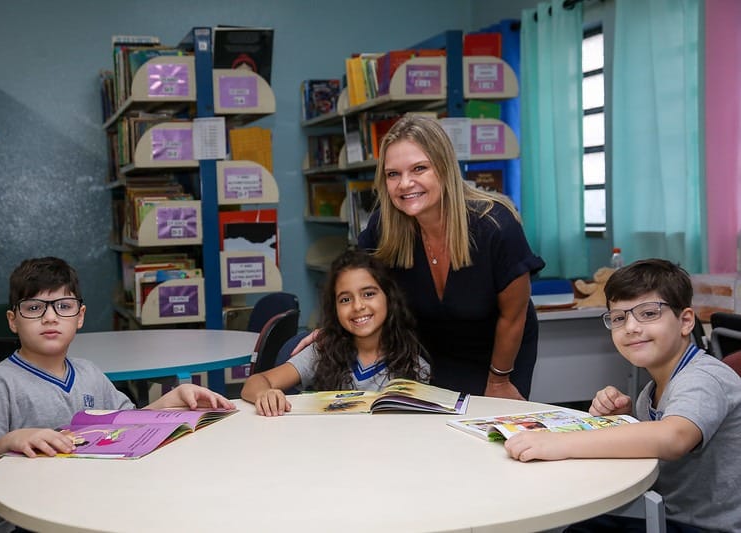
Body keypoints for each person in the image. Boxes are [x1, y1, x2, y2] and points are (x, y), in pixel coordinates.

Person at [294, 115, 544, 399]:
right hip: (426, 354)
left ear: (444, 168)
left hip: (499, 356)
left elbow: (513, 316)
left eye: (419, 168)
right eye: (393, 174)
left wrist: (499, 380)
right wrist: (332, 329)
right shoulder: (383, 227)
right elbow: (352, 284)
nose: (405, 183)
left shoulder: (495, 226)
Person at [504, 259, 741, 533]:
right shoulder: (651, 391)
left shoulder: (703, 377)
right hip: (663, 511)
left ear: (685, 321)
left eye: (649, 314)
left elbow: (673, 438)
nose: (630, 327)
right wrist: (623, 419)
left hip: (703, 526)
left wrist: (558, 443)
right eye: (619, 318)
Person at [0, 257, 233, 489]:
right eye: (34, 308)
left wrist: (170, 401)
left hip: (91, 495)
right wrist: (8, 442)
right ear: (13, 321)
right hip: (27, 513)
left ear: (80, 316)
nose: (50, 317)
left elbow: (125, 425)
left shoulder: (89, 373)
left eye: (64, 307)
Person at [242, 249, 430, 416]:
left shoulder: (412, 364)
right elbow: (256, 381)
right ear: (335, 308)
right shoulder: (322, 352)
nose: (358, 306)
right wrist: (264, 393)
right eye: (345, 299)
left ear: (389, 298)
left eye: (369, 294)